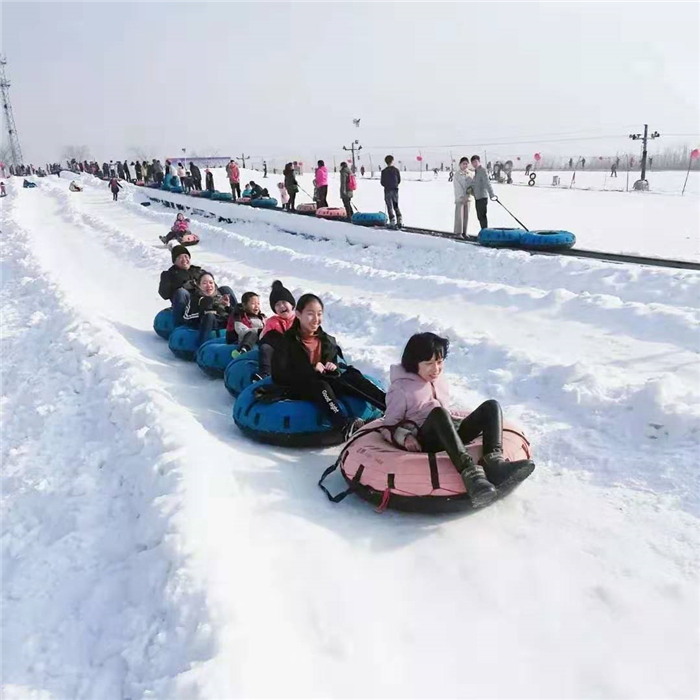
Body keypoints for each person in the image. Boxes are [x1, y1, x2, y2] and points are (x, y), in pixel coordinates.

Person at [381, 332, 535, 508]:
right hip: (426, 439)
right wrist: (405, 437)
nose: (436, 369)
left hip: (449, 432)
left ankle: (494, 462)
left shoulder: (439, 380)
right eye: (429, 364)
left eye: (439, 362)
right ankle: (471, 474)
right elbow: (388, 425)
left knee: (491, 406)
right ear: (414, 363)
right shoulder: (400, 389)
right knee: (439, 413)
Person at [272, 293, 386, 439]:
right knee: (320, 385)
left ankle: (390, 406)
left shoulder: (326, 340)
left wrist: (333, 368)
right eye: (310, 314)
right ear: (298, 315)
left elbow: (334, 368)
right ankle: (343, 425)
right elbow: (278, 375)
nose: (316, 319)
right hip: (300, 385)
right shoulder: (287, 342)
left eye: (319, 314)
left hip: (326, 381)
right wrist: (311, 369)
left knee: (352, 376)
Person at [255, 280, 296, 379]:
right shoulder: (272, 322)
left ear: (291, 304)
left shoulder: (299, 319)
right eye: (277, 305)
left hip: (297, 353)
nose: (281, 306)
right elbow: (263, 340)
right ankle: (265, 374)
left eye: (284, 302)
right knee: (265, 347)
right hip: (278, 354)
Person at [184, 272, 234, 346]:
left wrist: (227, 306)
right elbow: (186, 317)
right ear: (199, 286)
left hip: (222, 324)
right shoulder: (196, 299)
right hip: (205, 324)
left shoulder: (220, 298)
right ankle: (201, 347)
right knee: (209, 314)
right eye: (204, 283)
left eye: (211, 283)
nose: (209, 286)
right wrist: (204, 312)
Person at [470, 155, 496, 230]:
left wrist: (491, 194)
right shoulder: (476, 172)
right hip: (477, 197)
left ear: (479, 162)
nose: (474, 164)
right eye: (473, 162)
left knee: (482, 216)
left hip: (482, 197)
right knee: (480, 216)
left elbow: (487, 183)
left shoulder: (482, 170)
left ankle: (485, 231)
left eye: (476, 162)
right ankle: (484, 231)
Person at [453, 157, 473, 236]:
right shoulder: (457, 175)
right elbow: (457, 187)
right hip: (460, 198)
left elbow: (471, 185)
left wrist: (468, 194)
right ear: (460, 164)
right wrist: (462, 196)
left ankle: (465, 232)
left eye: (466, 164)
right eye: (463, 164)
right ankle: (458, 232)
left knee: (466, 216)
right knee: (459, 216)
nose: (465, 165)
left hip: (467, 198)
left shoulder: (470, 173)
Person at [380, 154, 402, 228]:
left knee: (389, 206)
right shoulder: (396, 170)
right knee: (396, 205)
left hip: (387, 190)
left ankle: (392, 220)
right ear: (392, 161)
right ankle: (399, 219)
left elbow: (382, 182)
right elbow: (399, 180)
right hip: (395, 190)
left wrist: (387, 185)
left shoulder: (384, 171)